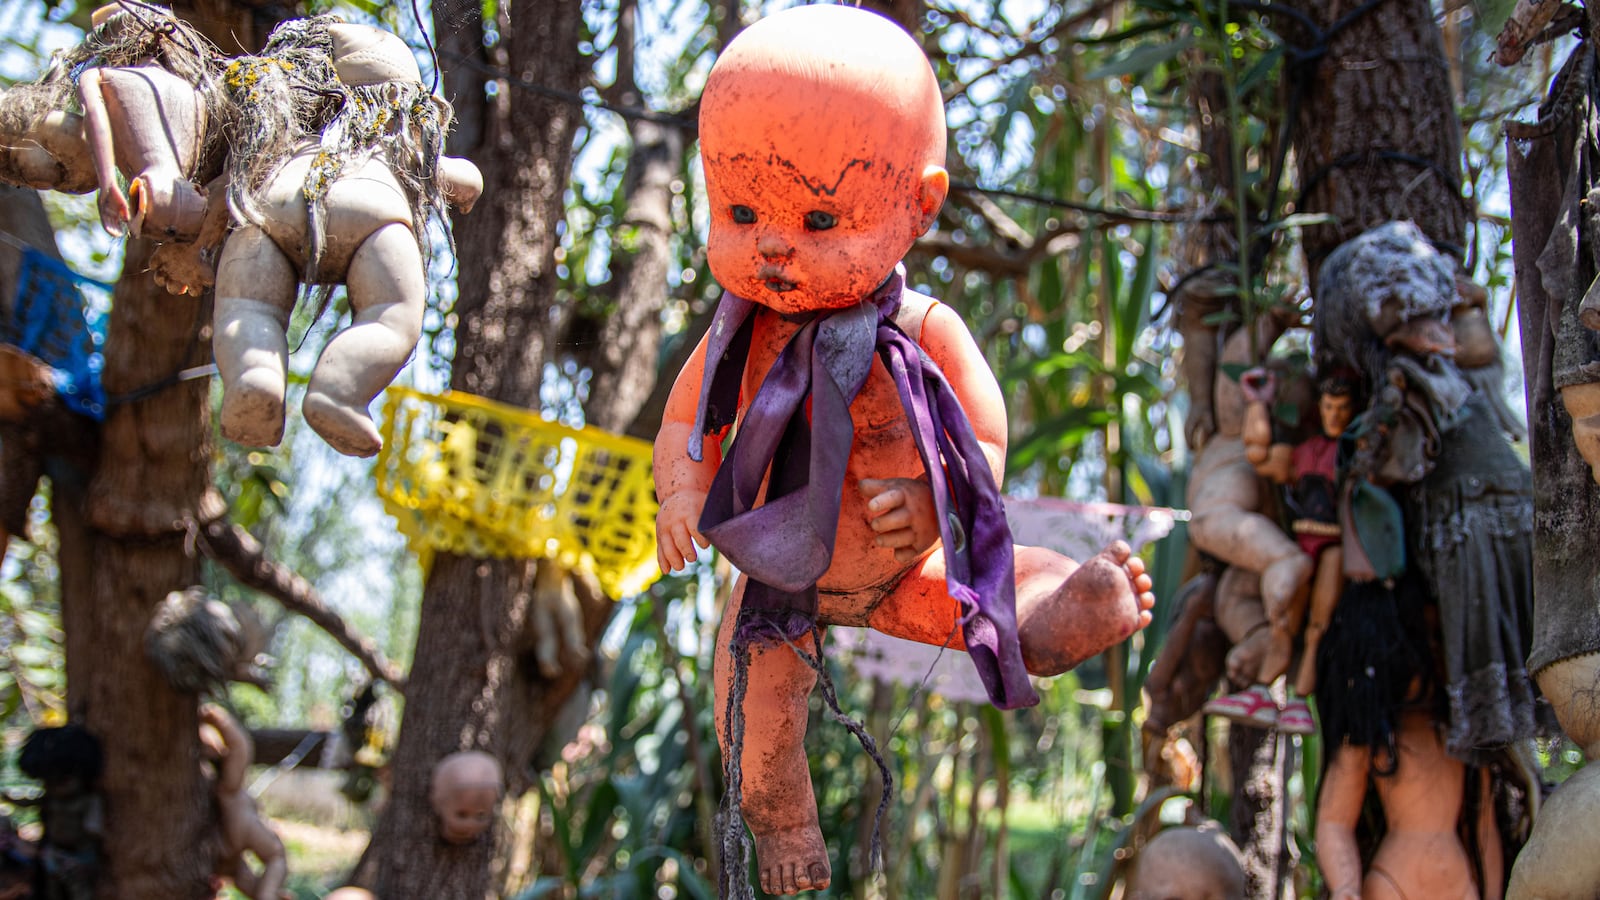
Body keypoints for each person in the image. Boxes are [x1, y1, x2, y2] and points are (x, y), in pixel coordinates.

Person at [653, 6, 1155, 895]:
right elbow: (687, 425)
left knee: (991, 592)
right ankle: (786, 830)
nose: (772, 244)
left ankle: (1060, 613)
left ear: (918, 203)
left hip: (904, 568)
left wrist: (935, 502)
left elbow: (984, 433)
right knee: (754, 723)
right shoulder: (738, 334)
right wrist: (679, 497)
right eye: (740, 210)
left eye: (817, 217)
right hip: (777, 579)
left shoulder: (922, 331)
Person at [198, 705, 288, 900]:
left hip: (221, 849)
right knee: (276, 855)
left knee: (244, 878)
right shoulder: (228, 787)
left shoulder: (220, 785)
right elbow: (241, 746)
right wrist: (217, 717)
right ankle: (268, 895)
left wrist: (213, 718)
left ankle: (265, 894)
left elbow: (239, 748)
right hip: (242, 832)